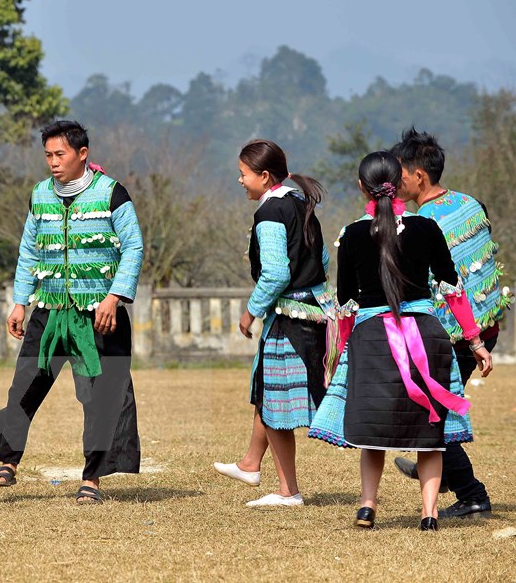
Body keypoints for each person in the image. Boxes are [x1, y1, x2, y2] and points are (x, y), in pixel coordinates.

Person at [308, 151, 492, 531]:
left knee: (374, 431)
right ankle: (429, 515)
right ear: (400, 184)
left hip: (373, 339)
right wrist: (474, 341)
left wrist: (341, 355)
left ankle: (367, 507)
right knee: (430, 433)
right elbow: (453, 290)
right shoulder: (427, 229)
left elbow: (345, 304)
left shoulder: (353, 234)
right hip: (427, 336)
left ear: (362, 186)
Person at [0, 120, 144, 505]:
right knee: (26, 383)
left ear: (82, 154)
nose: (53, 163)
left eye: (60, 154)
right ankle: (9, 460)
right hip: (51, 308)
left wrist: (113, 297)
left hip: (99, 314)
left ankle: (93, 478)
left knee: (102, 396)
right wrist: (21, 301)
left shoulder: (112, 193)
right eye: (48, 156)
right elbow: (29, 252)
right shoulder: (40, 195)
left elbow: (133, 248)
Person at [390, 127, 510, 519]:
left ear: (418, 176)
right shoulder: (471, 204)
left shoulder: (421, 222)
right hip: (485, 326)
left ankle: (471, 493)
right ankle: (438, 473)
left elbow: (433, 284)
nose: (396, 181)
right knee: (429, 408)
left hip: (456, 333)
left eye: (401, 174)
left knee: (430, 414)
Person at [213, 139, 331, 507]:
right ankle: (251, 463)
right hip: (312, 310)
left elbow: (276, 272)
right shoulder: (299, 202)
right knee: (267, 390)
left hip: (288, 317)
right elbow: (324, 260)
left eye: (244, 174)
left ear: (264, 177)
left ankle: (288, 491)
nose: (240, 181)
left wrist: (252, 310)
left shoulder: (269, 213)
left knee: (276, 403)